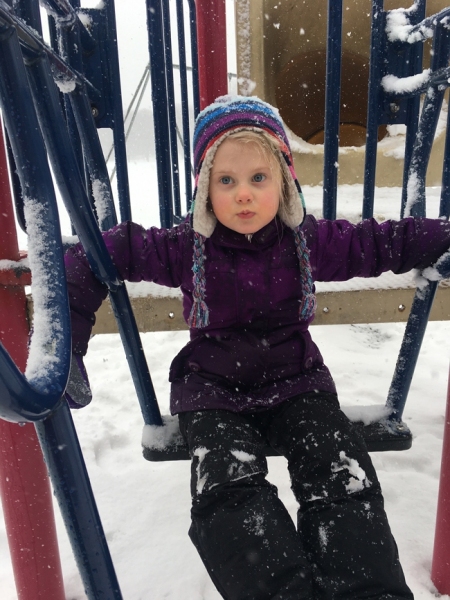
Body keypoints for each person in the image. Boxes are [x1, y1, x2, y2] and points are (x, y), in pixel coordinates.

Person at [65, 95, 450, 600]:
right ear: (205, 191)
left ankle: (369, 590)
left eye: (258, 179)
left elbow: (382, 242)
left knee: (340, 476)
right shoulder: (185, 247)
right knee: (225, 492)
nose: (243, 195)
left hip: (297, 380)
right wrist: (67, 346)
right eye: (226, 181)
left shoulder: (307, 242)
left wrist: (440, 236)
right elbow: (98, 254)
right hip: (213, 388)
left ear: (285, 184)